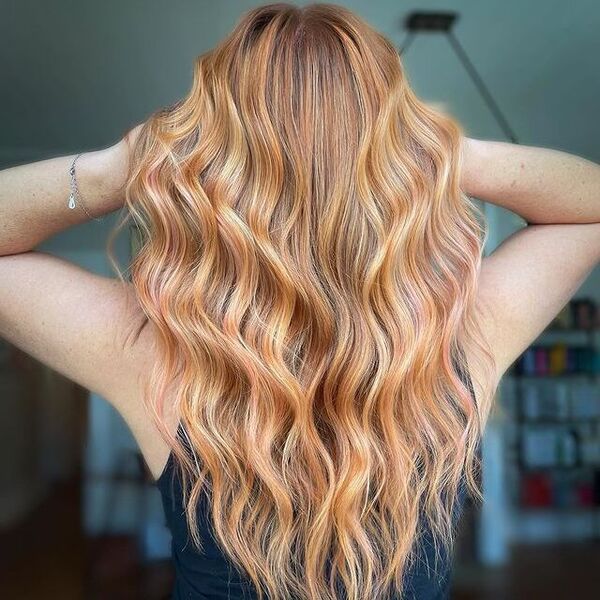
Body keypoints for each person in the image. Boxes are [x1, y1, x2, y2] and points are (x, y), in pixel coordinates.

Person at [1, 2, 599, 599]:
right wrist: (442, 152)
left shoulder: (149, 348)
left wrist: (119, 168)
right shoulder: (466, 330)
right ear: (389, 163)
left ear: (224, 170)